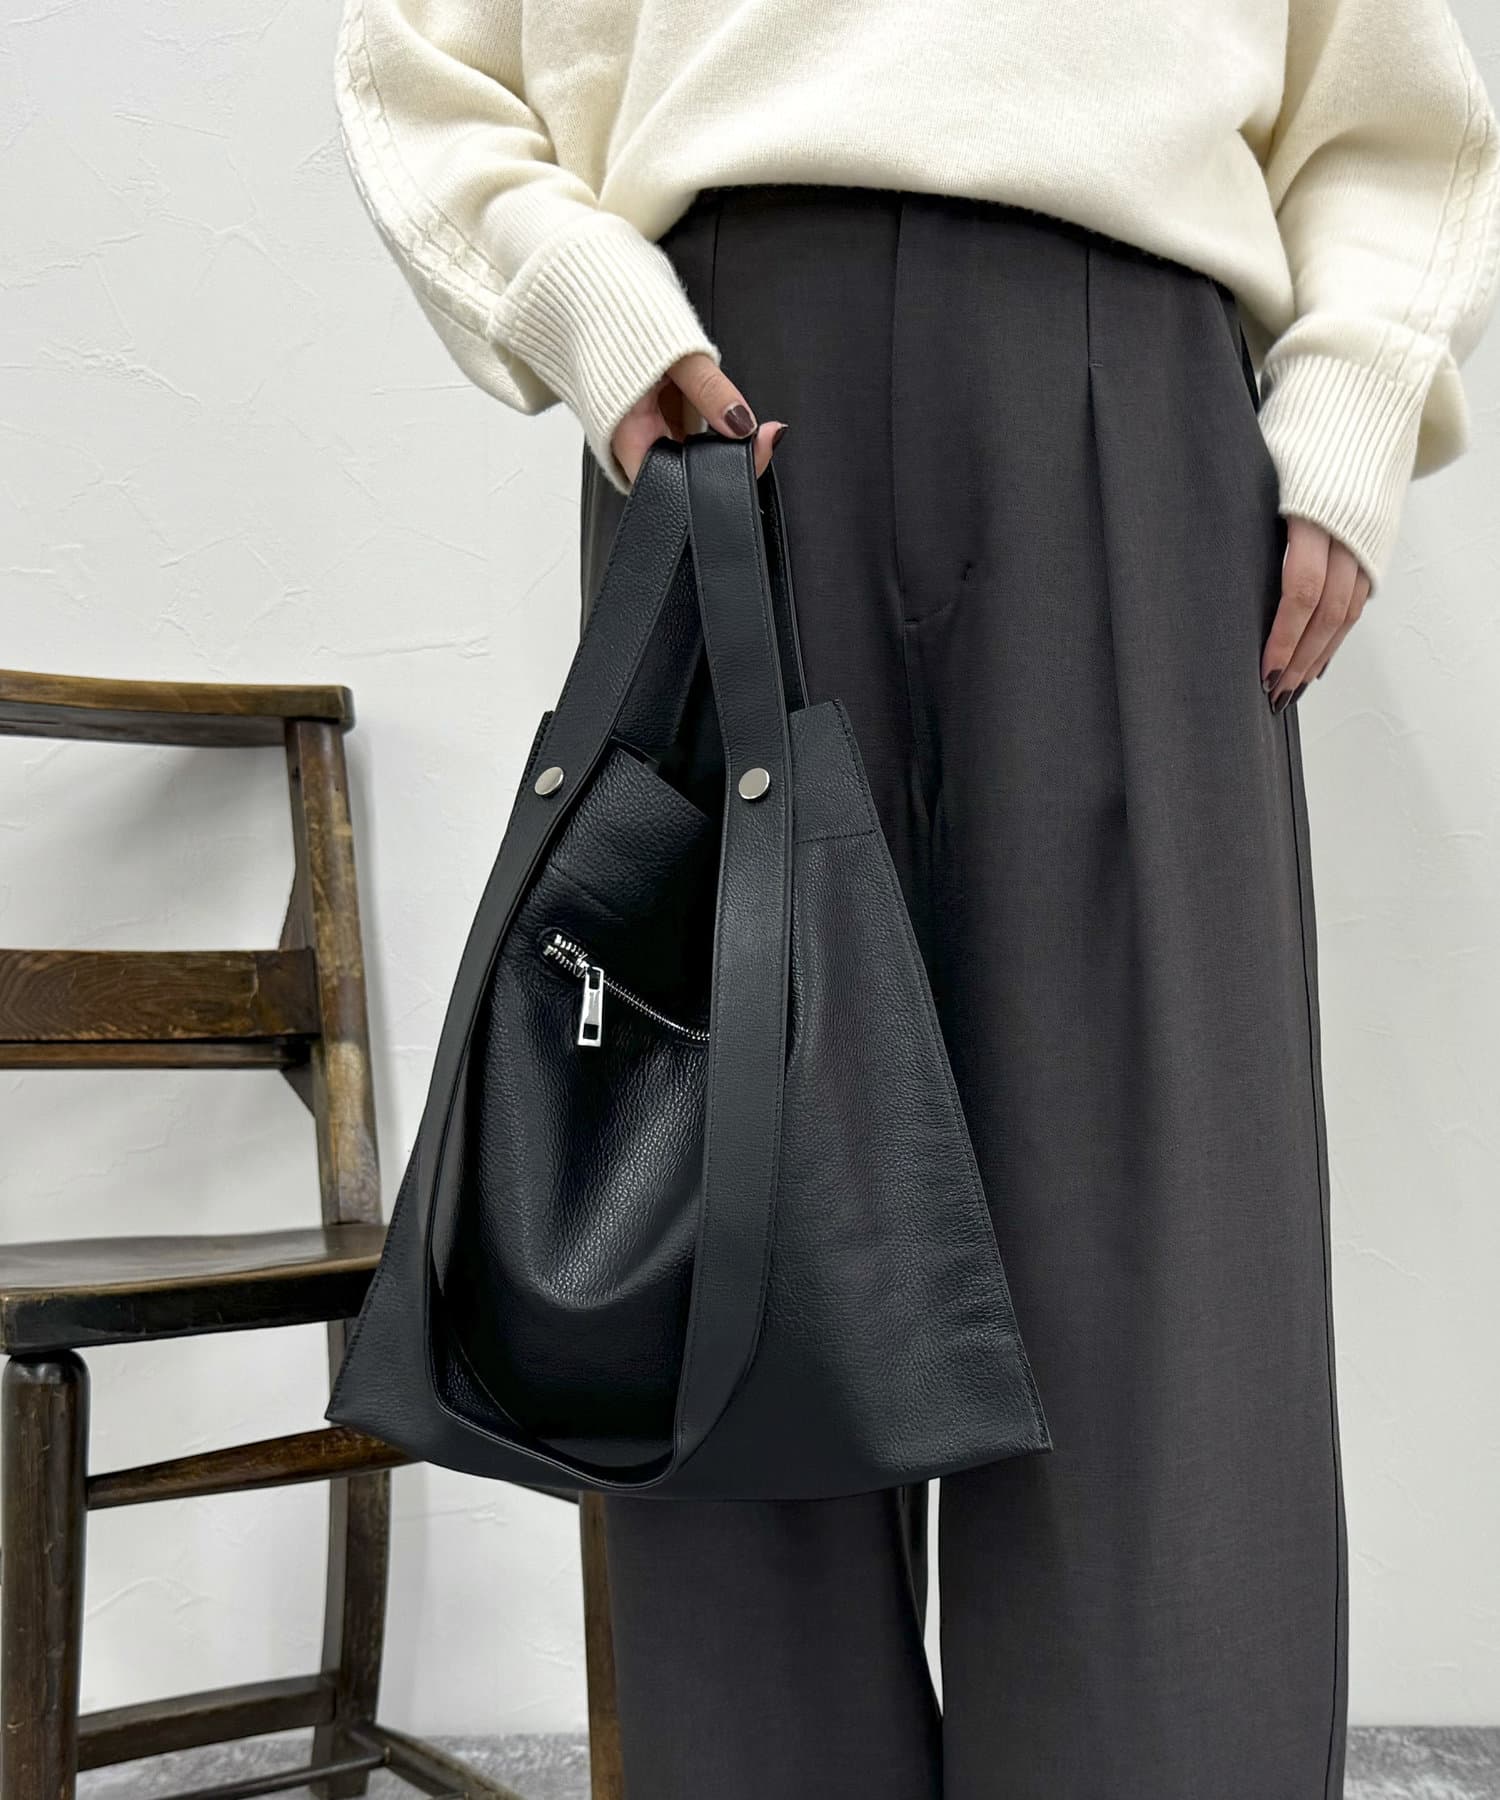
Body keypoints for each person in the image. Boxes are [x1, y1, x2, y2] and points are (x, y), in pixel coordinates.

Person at [332, 5, 1500, 1797]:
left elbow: (1383, 91)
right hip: (721, 381)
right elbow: (426, 56)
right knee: (722, 1227)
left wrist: (1353, 386)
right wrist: (581, 291)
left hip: (1140, 377)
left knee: (1163, 1260)